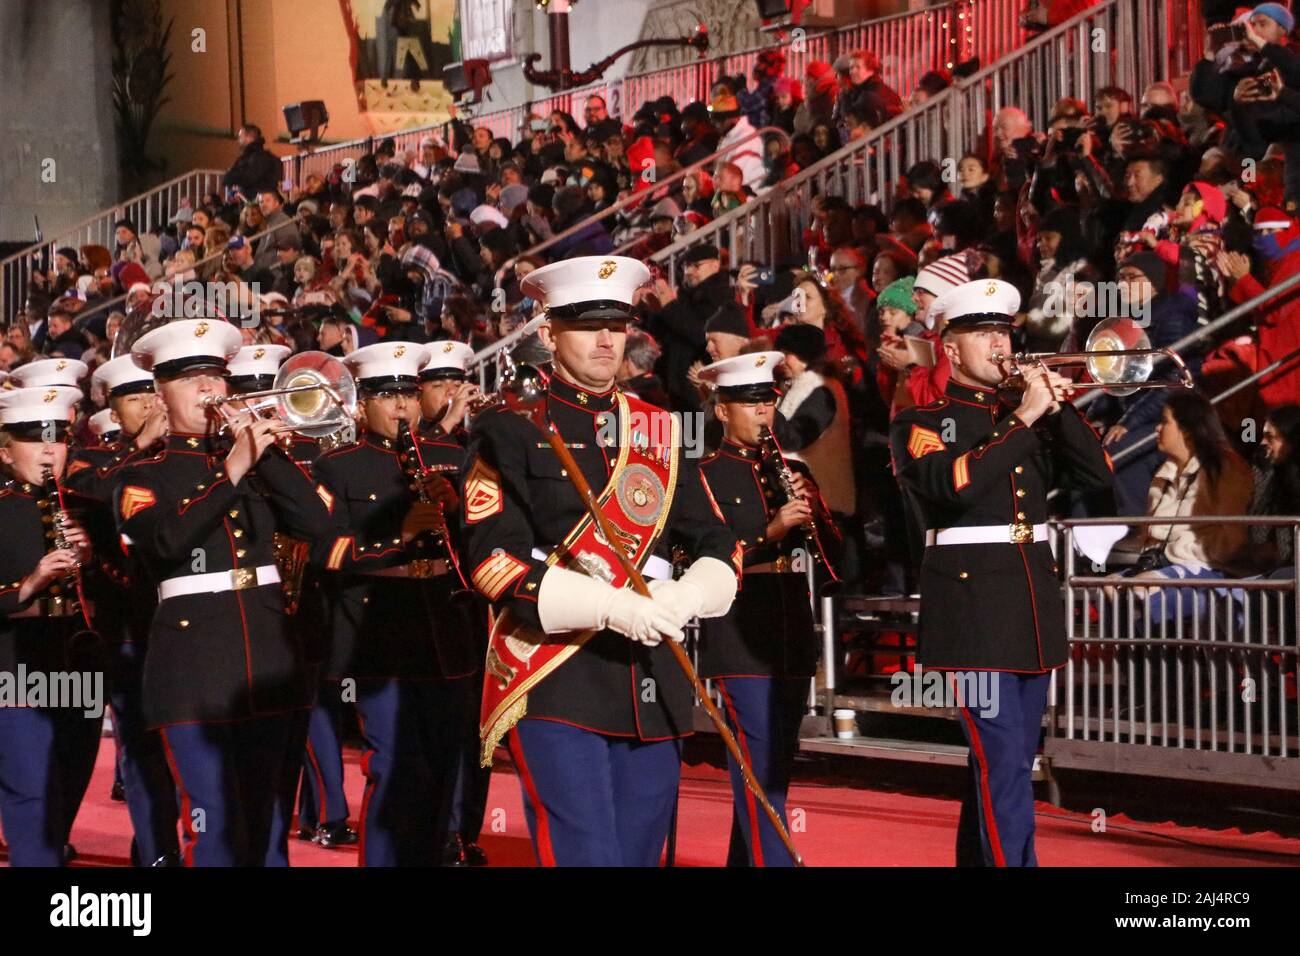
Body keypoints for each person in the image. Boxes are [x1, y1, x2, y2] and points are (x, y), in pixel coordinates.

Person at [461, 255, 739, 867]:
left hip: (655, 680)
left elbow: (718, 542)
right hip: (558, 673)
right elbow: (494, 564)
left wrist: (687, 597)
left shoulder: (662, 430)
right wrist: (610, 606)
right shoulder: (507, 430)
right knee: (587, 854)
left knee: (638, 855)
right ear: (547, 332)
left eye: (618, 324)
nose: (607, 339)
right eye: (587, 325)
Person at [889, 279, 1114, 867]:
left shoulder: (1027, 415)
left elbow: (1098, 477)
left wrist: (1057, 410)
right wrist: (1025, 416)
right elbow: (952, 487)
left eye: (1003, 333)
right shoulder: (922, 420)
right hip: (970, 614)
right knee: (1001, 758)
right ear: (951, 348)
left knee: (1011, 761)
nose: (998, 345)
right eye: (983, 334)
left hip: (1030, 605)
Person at [115, 318, 333, 866]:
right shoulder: (142, 473)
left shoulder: (251, 461)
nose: (208, 391)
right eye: (191, 381)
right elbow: (165, 543)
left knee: (264, 821)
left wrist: (266, 452)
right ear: (160, 394)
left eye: (215, 377)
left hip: (266, 655)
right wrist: (233, 469)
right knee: (214, 822)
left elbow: (317, 524)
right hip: (192, 670)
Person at [312, 341, 479, 866]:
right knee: (392, 766)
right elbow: (325, 549)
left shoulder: (451, 457)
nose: (403, 405)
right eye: (387, 395)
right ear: (362, 405)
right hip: (378, 631)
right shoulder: (337, 465)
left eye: (408, 392)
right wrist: (396, 540)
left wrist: (457, 514)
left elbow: (487, 541)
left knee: (442, 764)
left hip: (446, 626)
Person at [696, 351, 821, 867]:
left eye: (767, 401)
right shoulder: (703, 473)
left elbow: (832, 556)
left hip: (792, 621)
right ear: (723, 411)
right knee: (759, 767)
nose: (763, 412)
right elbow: (703, 550)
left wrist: (815, 513)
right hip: (740, 628)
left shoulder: (789, 468)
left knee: (774, 768)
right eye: (749, 404)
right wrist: (769, 531)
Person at [67, 356, 178, 867]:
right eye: (135, 398)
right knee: (143, 744)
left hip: (187, 622)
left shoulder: (182, 455)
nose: (151, 405)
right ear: (112, 408)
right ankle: (157, 852)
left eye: (154, 394)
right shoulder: (91, 463)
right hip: (128, 626)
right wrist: (139, 447)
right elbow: (96, 498)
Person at [0, 385, 96, 866]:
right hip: (15, 668)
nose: (47, 451)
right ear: (4, 449)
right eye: (34, 440)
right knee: (32, 792)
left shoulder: (86, 507)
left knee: (70, 779)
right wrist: (33, 581)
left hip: (79, 666)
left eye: (57, 439)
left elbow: (127, 593)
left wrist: (95, 558)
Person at [1122, 391, 1254, 621]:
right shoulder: (1163, 475)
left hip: (1207, 569)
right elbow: (1149, 537)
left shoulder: (1224, 470)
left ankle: (1163, 654)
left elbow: (1231, 540)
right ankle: (1134, 656)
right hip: (1162, 568)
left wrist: (1175, 558)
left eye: (1164, 422)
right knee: (1109, 587)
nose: (1157, 429)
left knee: (1145, 590)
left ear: (1187, 429)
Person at [224, 124, 283, 199]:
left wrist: (233, 177)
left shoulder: (251, 158)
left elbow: (244, 178)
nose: (238, 140)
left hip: (254, 204)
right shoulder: (271, 158)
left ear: (248, 138)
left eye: (240, 137)